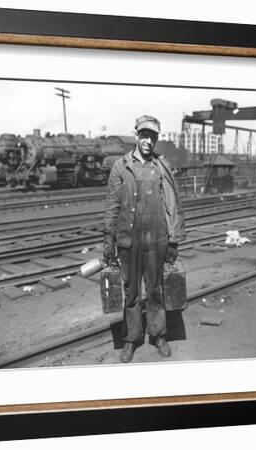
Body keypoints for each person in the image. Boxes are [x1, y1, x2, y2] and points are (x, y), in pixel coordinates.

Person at [103, 115, 185, 363]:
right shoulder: (121, 166)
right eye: (145, 135)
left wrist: (174, 239)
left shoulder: (162, 166)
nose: (149, 141)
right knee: (131, 293)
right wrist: (109, 238)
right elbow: (112, 205)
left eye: (153, 137)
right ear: (136, 135)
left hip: (157, 238)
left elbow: (173, 203)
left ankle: (158, 334)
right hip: (129, 239)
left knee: (156, 289)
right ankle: (131, 338)